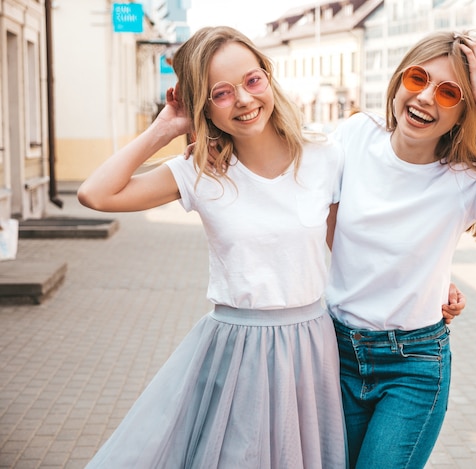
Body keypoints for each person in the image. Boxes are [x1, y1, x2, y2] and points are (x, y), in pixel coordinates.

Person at [77, 25, 348, 468]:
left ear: (268, 77)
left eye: (252, 81)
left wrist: (431, 291)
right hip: (236, 347)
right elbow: (96, 194)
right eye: (220, 93)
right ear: (201, 105)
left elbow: (348, 250)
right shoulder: (200, 172)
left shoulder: (324, 156)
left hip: (312, 345)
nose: (243, 99)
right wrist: (164, 129)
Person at [325, 30, 476, 468]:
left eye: (450, 92)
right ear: (399, 81)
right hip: (334, 350)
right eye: (418, 79)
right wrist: (421, 275)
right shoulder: (356, 135)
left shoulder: (463, 179)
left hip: (412, 366)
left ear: (464, 112)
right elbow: (332, 229)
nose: (426, 98)